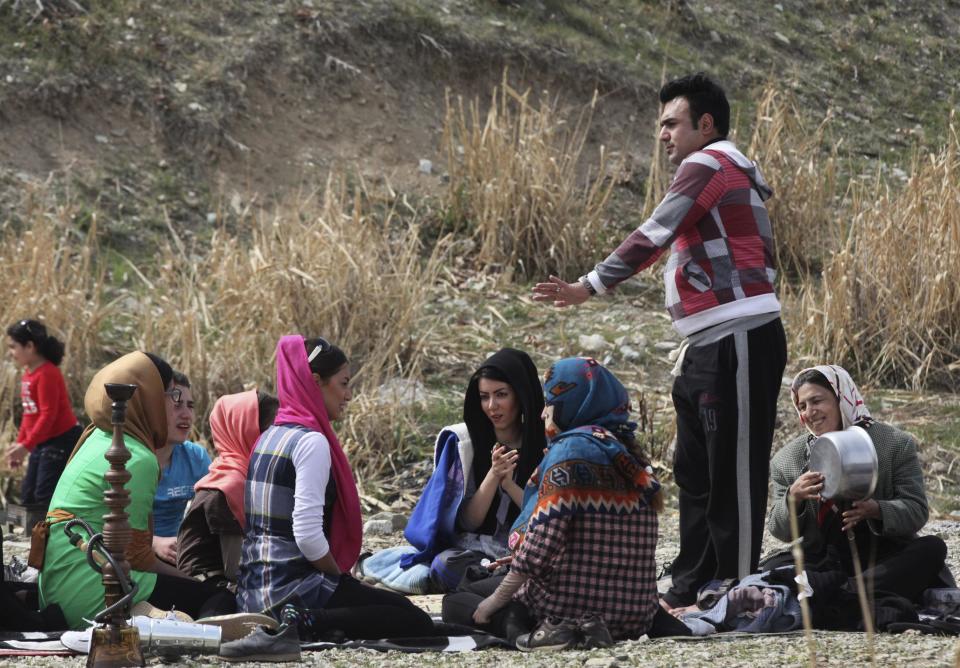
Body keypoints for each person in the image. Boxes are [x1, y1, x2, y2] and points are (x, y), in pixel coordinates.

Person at [531, 73, 787, 610]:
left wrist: (590, 286)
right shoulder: (717, 168)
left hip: (740, 332)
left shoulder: (711, 161)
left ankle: (735, 582)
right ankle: (693, 580)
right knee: (695, 468)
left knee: (733, 467)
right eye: (661, 126)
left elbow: (655, 231)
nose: (663, 135)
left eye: (672, 123)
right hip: (704, 342)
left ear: (706, 124)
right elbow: (668, 240)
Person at [445, 357, 670, 650]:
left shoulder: (570, 451)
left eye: (550, 403)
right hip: (635, 613)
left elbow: (537, 552)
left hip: (566, 607)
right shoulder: (627, 451)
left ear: (571, 403)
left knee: (457, 601)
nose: (542, 414)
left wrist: (493, 603)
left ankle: (527, 636)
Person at [236, 335, 434, 640]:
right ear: (315, 382)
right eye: (343, 384)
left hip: (253, 592)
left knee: (382, 605)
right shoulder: (310, 442)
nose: (349, 395)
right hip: (293, 589)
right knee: (414, 620)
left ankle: (319, 621)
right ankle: (306, 622)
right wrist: (339, 577)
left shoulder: (269, 436)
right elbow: (308, 536)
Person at [37, 351, 237, 629]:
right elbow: (138, 558)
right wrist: (192, 581)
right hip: (92, 592)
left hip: (57, 588)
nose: (179, 409)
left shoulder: (97, 434)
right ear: (148, 397)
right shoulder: (136, 456)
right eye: (171, 396)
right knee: (218, 597)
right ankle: (198, 633)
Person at [357, 347, 545, 593]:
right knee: (445, 566)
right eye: (484, 396)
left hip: (525, 550)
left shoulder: (546, 447)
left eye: (501, 395)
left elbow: (544, 516)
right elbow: (468, 521)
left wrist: (510, 485)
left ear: (521, 396)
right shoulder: (464, 444)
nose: (491, 406)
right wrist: (494, 475)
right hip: (474, 550)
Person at [766, 365, 951, 605]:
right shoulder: (788, 460)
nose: (810, 412)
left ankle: (840, 592)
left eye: (817, 401)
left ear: (841, 397)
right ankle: (848, 594)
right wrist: (793, 498)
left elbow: (916, 510)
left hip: (880, 554)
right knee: (771, 568)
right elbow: (779, 530)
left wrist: (877, 509)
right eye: (802, 406)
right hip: (822, 556)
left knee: (932, 549)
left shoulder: (893, 445)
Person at [177, 389, 279, 585]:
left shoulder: (241, 475)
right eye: (269, 432)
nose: (276, 441)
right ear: (244, 431)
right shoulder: (228, 486)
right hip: (208, 586)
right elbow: (235, 569)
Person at [5, 319, 82, 508]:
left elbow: (48, 415)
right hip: (42, 441)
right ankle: (31, 534)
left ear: (30, 346)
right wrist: (20, 446)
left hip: (61, 439)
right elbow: (29, 414)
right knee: (28, 494)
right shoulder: (28, 374)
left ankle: (50, 534)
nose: (11, 352)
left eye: (13, 347)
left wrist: (27, 446)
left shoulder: (47, 373)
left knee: (44, 493)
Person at [152, 371, 212, 564]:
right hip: (133, 553)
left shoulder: (196, 457)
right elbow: (103, 524)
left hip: (178, 554)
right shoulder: (130, 457)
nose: (186, 415)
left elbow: (212, 511)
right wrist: (153, 543)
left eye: (191, 406)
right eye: (177, 405)